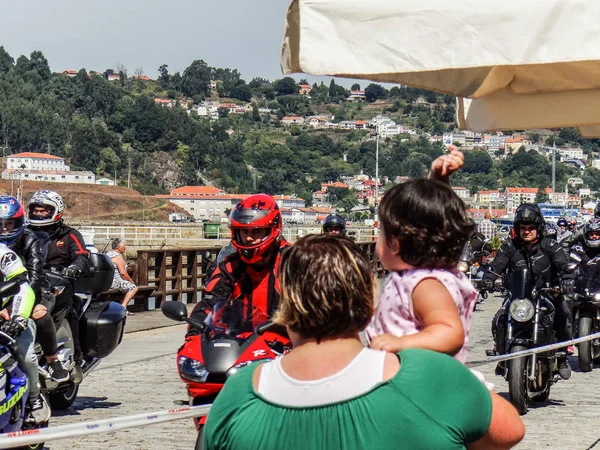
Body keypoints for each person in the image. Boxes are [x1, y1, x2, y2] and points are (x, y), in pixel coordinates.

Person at [203, 234, 525, 450]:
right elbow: (510, 431)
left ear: (284, 308)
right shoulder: (429, 376)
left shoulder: (241, 393)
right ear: (369, 307)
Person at [365, 178, 478, 363]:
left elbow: (450, 332)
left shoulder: (424, 285)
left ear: (394, 243)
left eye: (382, 232)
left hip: (423, 382)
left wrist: (402, 343)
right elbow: (430, 214)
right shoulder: (409, 278)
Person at [481, 203, 574, 379]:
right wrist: (488, 279)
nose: (527, 231)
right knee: (499, 318)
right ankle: (502, 355)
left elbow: (563, 263)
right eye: (523, 228)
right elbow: (497, 265)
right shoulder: (510, 246)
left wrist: (567, 278)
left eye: (531, 228)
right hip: (518, 296)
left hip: (547, 294)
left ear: (538, 228)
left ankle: (561, 356)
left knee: (563, 315)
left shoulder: (550, 245)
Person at [186, 194, 290, 335]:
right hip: (241, 345)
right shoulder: (230, 265)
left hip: (288, 345)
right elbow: (210, 304)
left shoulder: (293, 262)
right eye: (244, 231)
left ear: (273, 229)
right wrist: (194, 338)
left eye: (256, 231)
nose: (248, 237)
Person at [0, 196, 69, 383]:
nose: (5, 228)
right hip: (4, 293)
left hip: (34, 289)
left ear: (19, 223)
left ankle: (53, 360)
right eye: (0, 224)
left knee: (38, 313)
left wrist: (13, 306)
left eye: (9, 223)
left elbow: (34, 275)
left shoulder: (29, 239)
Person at [27, 190, 90, 377]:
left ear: (57, 211)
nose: (39, 214)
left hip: (59, 280)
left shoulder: (70, 235)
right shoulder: (25, 234)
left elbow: (81, 257)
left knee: (70, 309)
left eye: (44, 210)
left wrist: (75, 268)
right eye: (36, 210)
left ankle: (77, 359)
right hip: (31, 280)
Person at [0, 242, 50, 423]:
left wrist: (19, 317)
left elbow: (22, 286)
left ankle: (34, 398)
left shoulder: (3, 254)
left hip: (8, 316)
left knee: (24, 352)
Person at [106, 237, 138, 315]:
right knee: (134, 287)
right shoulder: (117, 256)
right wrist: (131, 281)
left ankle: (120, 308)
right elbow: (123, 273)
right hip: (115, 282)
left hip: (107, 281)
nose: (125, 248)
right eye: (124, 245)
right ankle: (123, 307)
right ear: (118, 247)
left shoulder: (108, 254)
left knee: (127, 286)